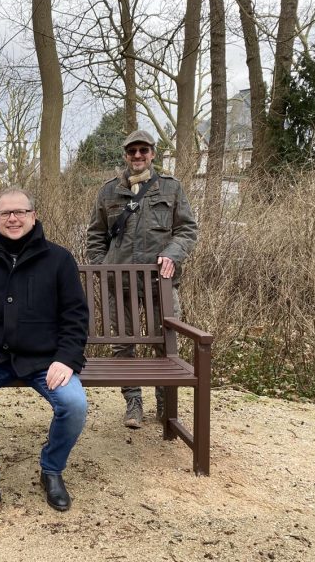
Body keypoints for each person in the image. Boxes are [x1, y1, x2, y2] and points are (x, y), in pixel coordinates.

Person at [0, 187, 89, 528]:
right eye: (5, 213)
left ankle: (52, 471)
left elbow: (75, 316)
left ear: (33, 215)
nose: (12, 218)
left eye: (19, 212)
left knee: (75, 404)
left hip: (45, 361)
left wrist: (66, 359)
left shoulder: (59, 259)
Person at [86, 129, 197, 429]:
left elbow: (187, 230)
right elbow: (95, 234)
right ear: (125, 155)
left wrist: (173, 254)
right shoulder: (108, 192)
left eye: (143, 151)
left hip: (160, 284)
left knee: (166, 344)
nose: (137, 156)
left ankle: (164, 402)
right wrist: (101, 266)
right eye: (132, 151)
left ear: (152, 154)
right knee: (123, 346)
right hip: (119, 284)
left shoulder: (171, 188)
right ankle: (133, 402)